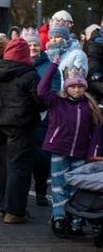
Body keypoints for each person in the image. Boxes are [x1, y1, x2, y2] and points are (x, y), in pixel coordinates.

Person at [37, 48, 99, 237]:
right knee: (59, 186)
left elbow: (95, 133)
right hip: (59, 149)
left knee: (77, 187)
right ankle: (59, 217)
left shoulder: (89, 106)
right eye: (73, 86)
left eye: (80, 86)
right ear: (67, 87)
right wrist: (53, 66)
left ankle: (76, 220)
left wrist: (92, 154)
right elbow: (41, 90)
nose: (77, 89)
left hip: (80, 153)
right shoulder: (57, 101)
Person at [0, 37, 41, 224]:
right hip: (20, 125)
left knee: (2, 165)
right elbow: (39, 101)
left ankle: (4, 206)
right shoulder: (30, 74)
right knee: (19, 166)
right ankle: (14, 211)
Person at [24, 29, 52, 206]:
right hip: (24, 116)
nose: (33, 47)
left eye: (35, 44)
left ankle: (41, 192)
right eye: (29, 44)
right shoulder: (20, 64)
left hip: (43, 117)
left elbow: (53, 90)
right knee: (24, 158)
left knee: (41, 159)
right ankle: (23, 194)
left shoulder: (48, 66)